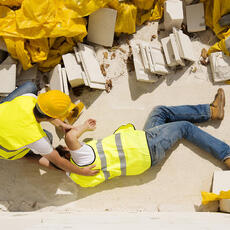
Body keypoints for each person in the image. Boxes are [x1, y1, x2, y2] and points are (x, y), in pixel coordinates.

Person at [39, 88, 230, 187]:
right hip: (146, 146)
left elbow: (47, 162)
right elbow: (71, 137)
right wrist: (83, 128)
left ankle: (212, 111)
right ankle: (226, 155)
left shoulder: (74, 176)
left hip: (143, 157)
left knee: (159, 112)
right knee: (185, 128)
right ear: (67, 154)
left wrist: (38, 156)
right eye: (65, 148)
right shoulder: (83, 159)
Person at [0, 81, 98, 176]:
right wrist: (82, 172)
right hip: (3, 150)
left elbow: (43, 112)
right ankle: (21, 156)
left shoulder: (27, 98)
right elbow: (59, 162)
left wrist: (60, 125)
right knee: (49, 138)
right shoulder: (37, 139)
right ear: (50, 118)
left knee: (30, 86)